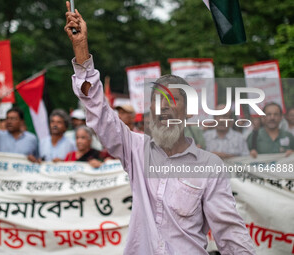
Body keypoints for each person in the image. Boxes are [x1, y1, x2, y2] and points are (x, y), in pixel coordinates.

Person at [64, 3, 255, 254]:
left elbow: (230, 232)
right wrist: (81, 49)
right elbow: (100, 114)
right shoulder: (136, 149)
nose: (163, 109)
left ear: (188, 112)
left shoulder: (209, 166)